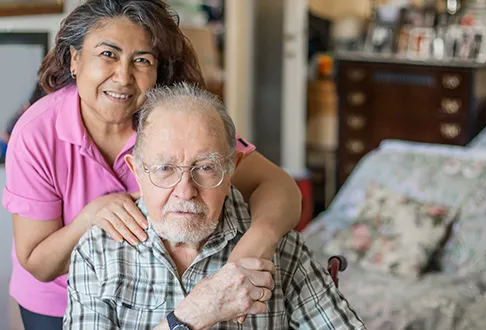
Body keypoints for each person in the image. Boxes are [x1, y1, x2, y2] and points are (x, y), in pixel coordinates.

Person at [2, 1, 302, 329]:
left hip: (158, 299)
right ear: (75, 60)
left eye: (142, 60)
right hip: (56, 303)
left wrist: (254, 246)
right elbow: (38, 264)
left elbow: (280, 187)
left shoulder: (173, 124)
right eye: (107, 54)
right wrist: (92, 217)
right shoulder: (37, 133)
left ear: (159, 70)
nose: (123, 77)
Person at [64, 83, 365, 330]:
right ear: (137, 171)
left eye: (206, 167)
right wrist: (192, 315)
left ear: (233, 167)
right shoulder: (98, 252)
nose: (185, 191)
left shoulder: (280, 248)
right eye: (165, 168)